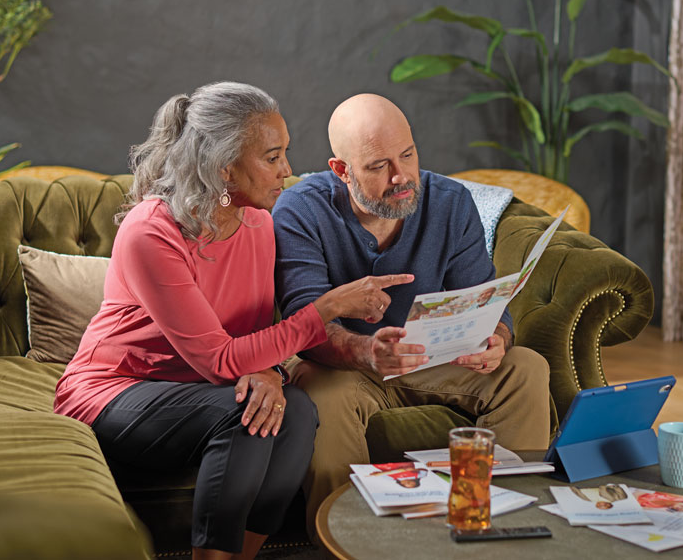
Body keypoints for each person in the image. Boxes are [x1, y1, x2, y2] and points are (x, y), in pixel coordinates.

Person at [54, 82, 410, 560]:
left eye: (286, 153)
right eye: (272, 157)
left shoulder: (259, 225)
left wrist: (267, 373)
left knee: (299, 410)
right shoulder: (151, 231)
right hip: (114, 391)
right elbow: (220, 359)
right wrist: (324, 310)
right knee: (243, 413)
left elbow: (255, 337)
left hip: (204, 388)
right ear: (223, 166)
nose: (287, 170)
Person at [272, 92, 551, 527]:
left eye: (407, 154)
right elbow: (304, 324)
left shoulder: (451, 201)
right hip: (340, 366)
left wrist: (498, 337)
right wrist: (367, 351)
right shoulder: (300, 210)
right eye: (379, 165)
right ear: (341, 170)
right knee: (322, 399)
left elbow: (483, 298)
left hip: (427, 354)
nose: (401, 176)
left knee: (524, 367)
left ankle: (503, 523)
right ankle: (350, 540)